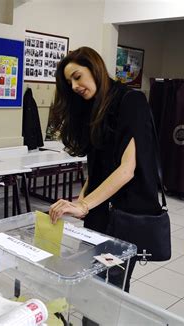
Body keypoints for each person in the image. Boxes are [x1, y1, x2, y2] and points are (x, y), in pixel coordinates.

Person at [48, 47, 162, 293]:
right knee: (92, 280)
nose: (75, 86)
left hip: (124, 215)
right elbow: (98, 166)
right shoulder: (93, 107)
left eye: (77, 76)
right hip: (100, 212)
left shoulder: (131, 101)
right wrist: (81, 201)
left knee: (111, 286)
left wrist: (84, 205)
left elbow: (127, 169)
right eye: (69, 82)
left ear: (94, 68)